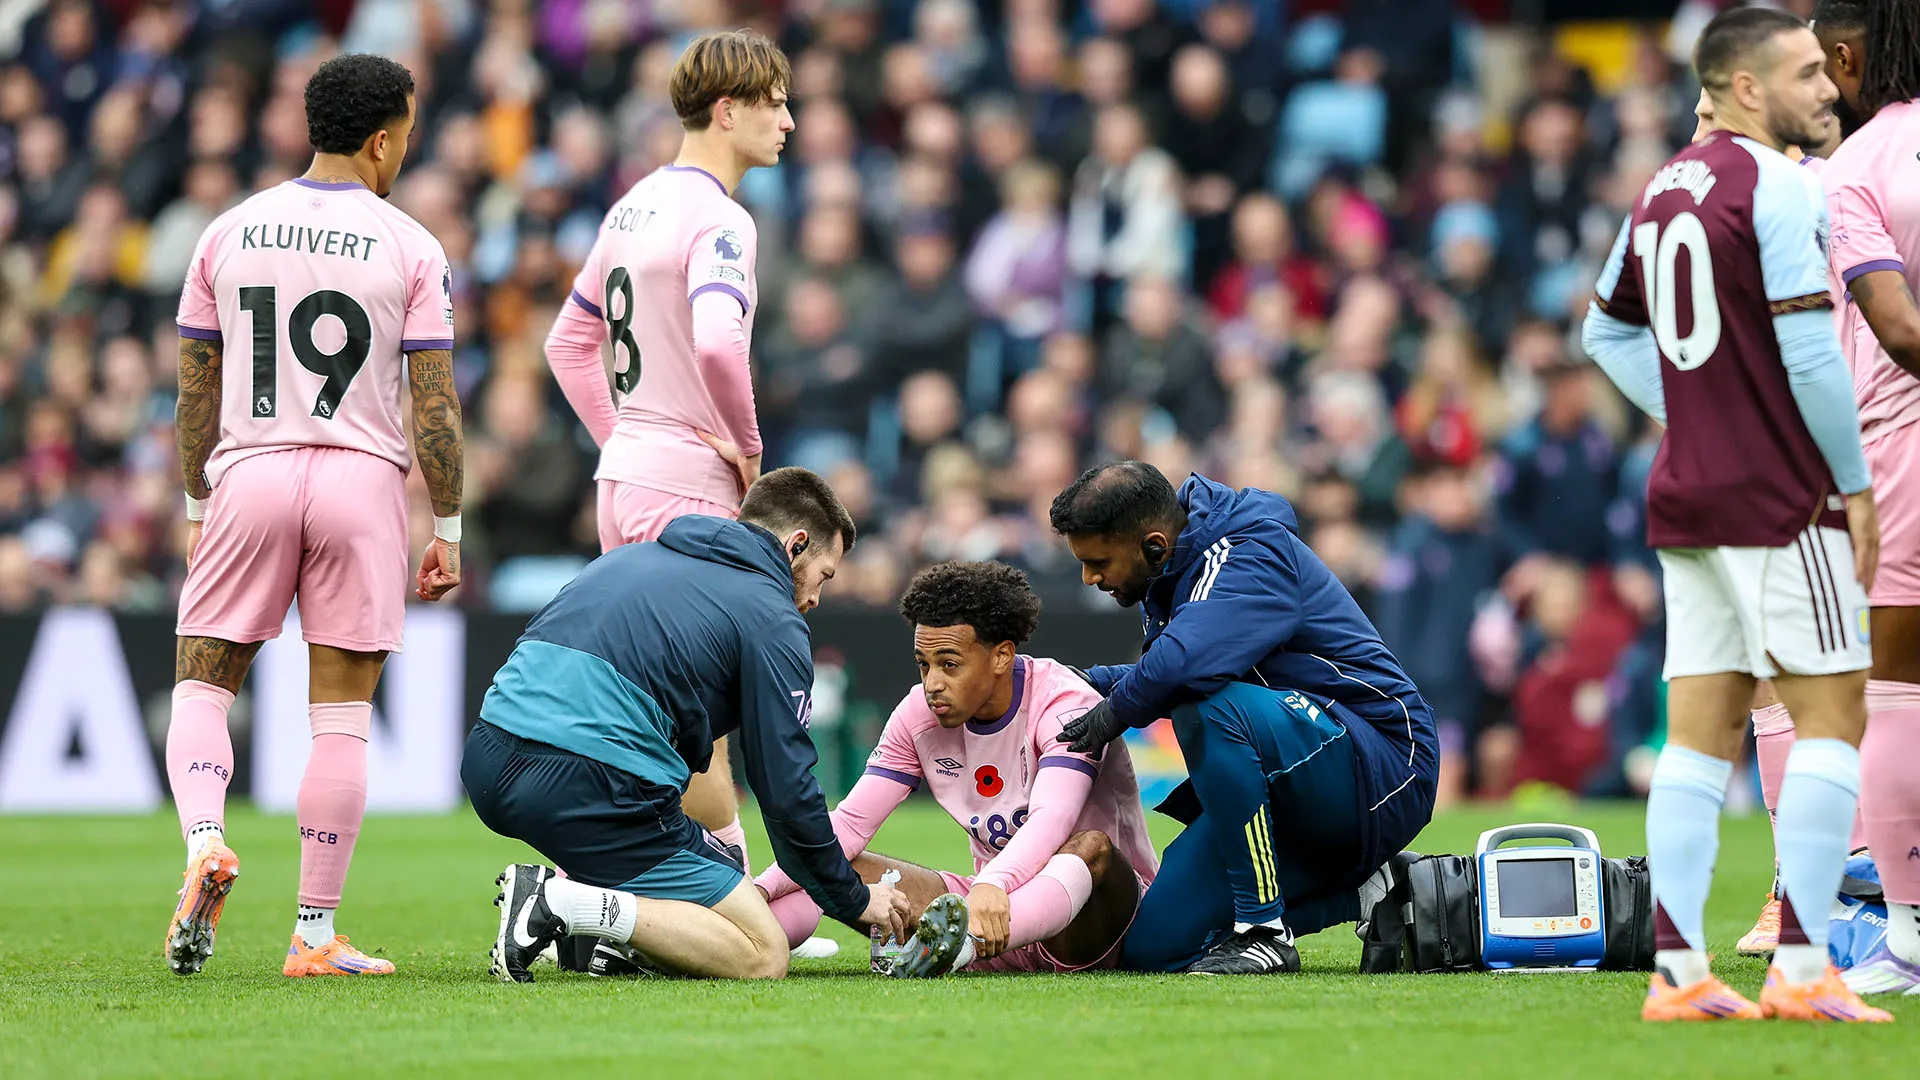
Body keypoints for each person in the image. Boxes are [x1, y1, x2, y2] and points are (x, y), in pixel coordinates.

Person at [1580, 7, 1890, 1022]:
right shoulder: (1789, 185)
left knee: (1701, 734)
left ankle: (1679, 975)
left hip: (1687, 494)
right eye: (1805, 73)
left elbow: (1603, 333)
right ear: (1748, 86)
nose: (1828, 88)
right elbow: (1808, 351)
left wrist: (1699, 411)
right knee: (1836, 713)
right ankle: (1805, 971)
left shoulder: (1665, 184)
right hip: (1776, 497)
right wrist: (1849, 481)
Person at [162, 54, 462, 979]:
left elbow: (194, 393)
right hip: (360, 485)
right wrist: (447, 525)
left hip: (250, 471)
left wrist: (195, 500)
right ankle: (312, 931)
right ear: (383, 138)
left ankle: (205, 839)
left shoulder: (228, 230)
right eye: (407, 133)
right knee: (339, 719)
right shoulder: (410, 243)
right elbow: (436, 408)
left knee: (205, 686)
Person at [462, 468, 910, 982]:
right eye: (823, 576)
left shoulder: (630, 557)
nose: (815, 599)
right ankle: (559, 902)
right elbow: (785, 790)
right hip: (589, 786)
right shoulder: (772, 616)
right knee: (761, 952)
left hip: (488, 761)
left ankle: (595, 937)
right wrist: (852, 900)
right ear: (796, 545)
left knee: (701, 867)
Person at [540, 28, 794, 900]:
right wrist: (751, 454)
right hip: (686, 484)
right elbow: (722, 346)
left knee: (652, 709)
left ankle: (640, 892)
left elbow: (567, 342)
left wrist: (624, 435)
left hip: (628, 476)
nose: (789, 121)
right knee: (701, 721)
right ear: (728, 111)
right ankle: (726, 900)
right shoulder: (721, 218)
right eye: (775, 104)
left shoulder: (632, 204)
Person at [1046, 461, 1439, 975]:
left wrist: (1111, 714)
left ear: (1155, 544)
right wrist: (1068, 680)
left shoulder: (1250, 550)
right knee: (1153, 948)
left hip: (1384, 762)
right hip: (1293, 776)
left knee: (1206, 704)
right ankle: (1373, 892)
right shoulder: (1172, 570)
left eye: (1098, 561)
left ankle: (1264, 933)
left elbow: (1184, 663)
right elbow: (1165, 665)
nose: (1089, 577)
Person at [752, 561, 1159, 977]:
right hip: (988, 913)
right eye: (923, 664)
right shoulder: (917, 713)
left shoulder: (1064, 701)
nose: (932, 683)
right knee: (830, 861)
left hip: (1093, 923)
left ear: (1002, 655)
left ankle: (960, 945)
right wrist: (759, 890)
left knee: (1091, 847)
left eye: (949, 664)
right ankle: (743, 938)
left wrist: (992, 884)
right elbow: (851, 824)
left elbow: (1052, 819)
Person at [1805, 0, 1920, 996]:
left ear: (1850, 55)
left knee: (1892, 692)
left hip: (1903, 447)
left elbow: (1900, 331)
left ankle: (1902, 936)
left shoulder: (1859, 168)